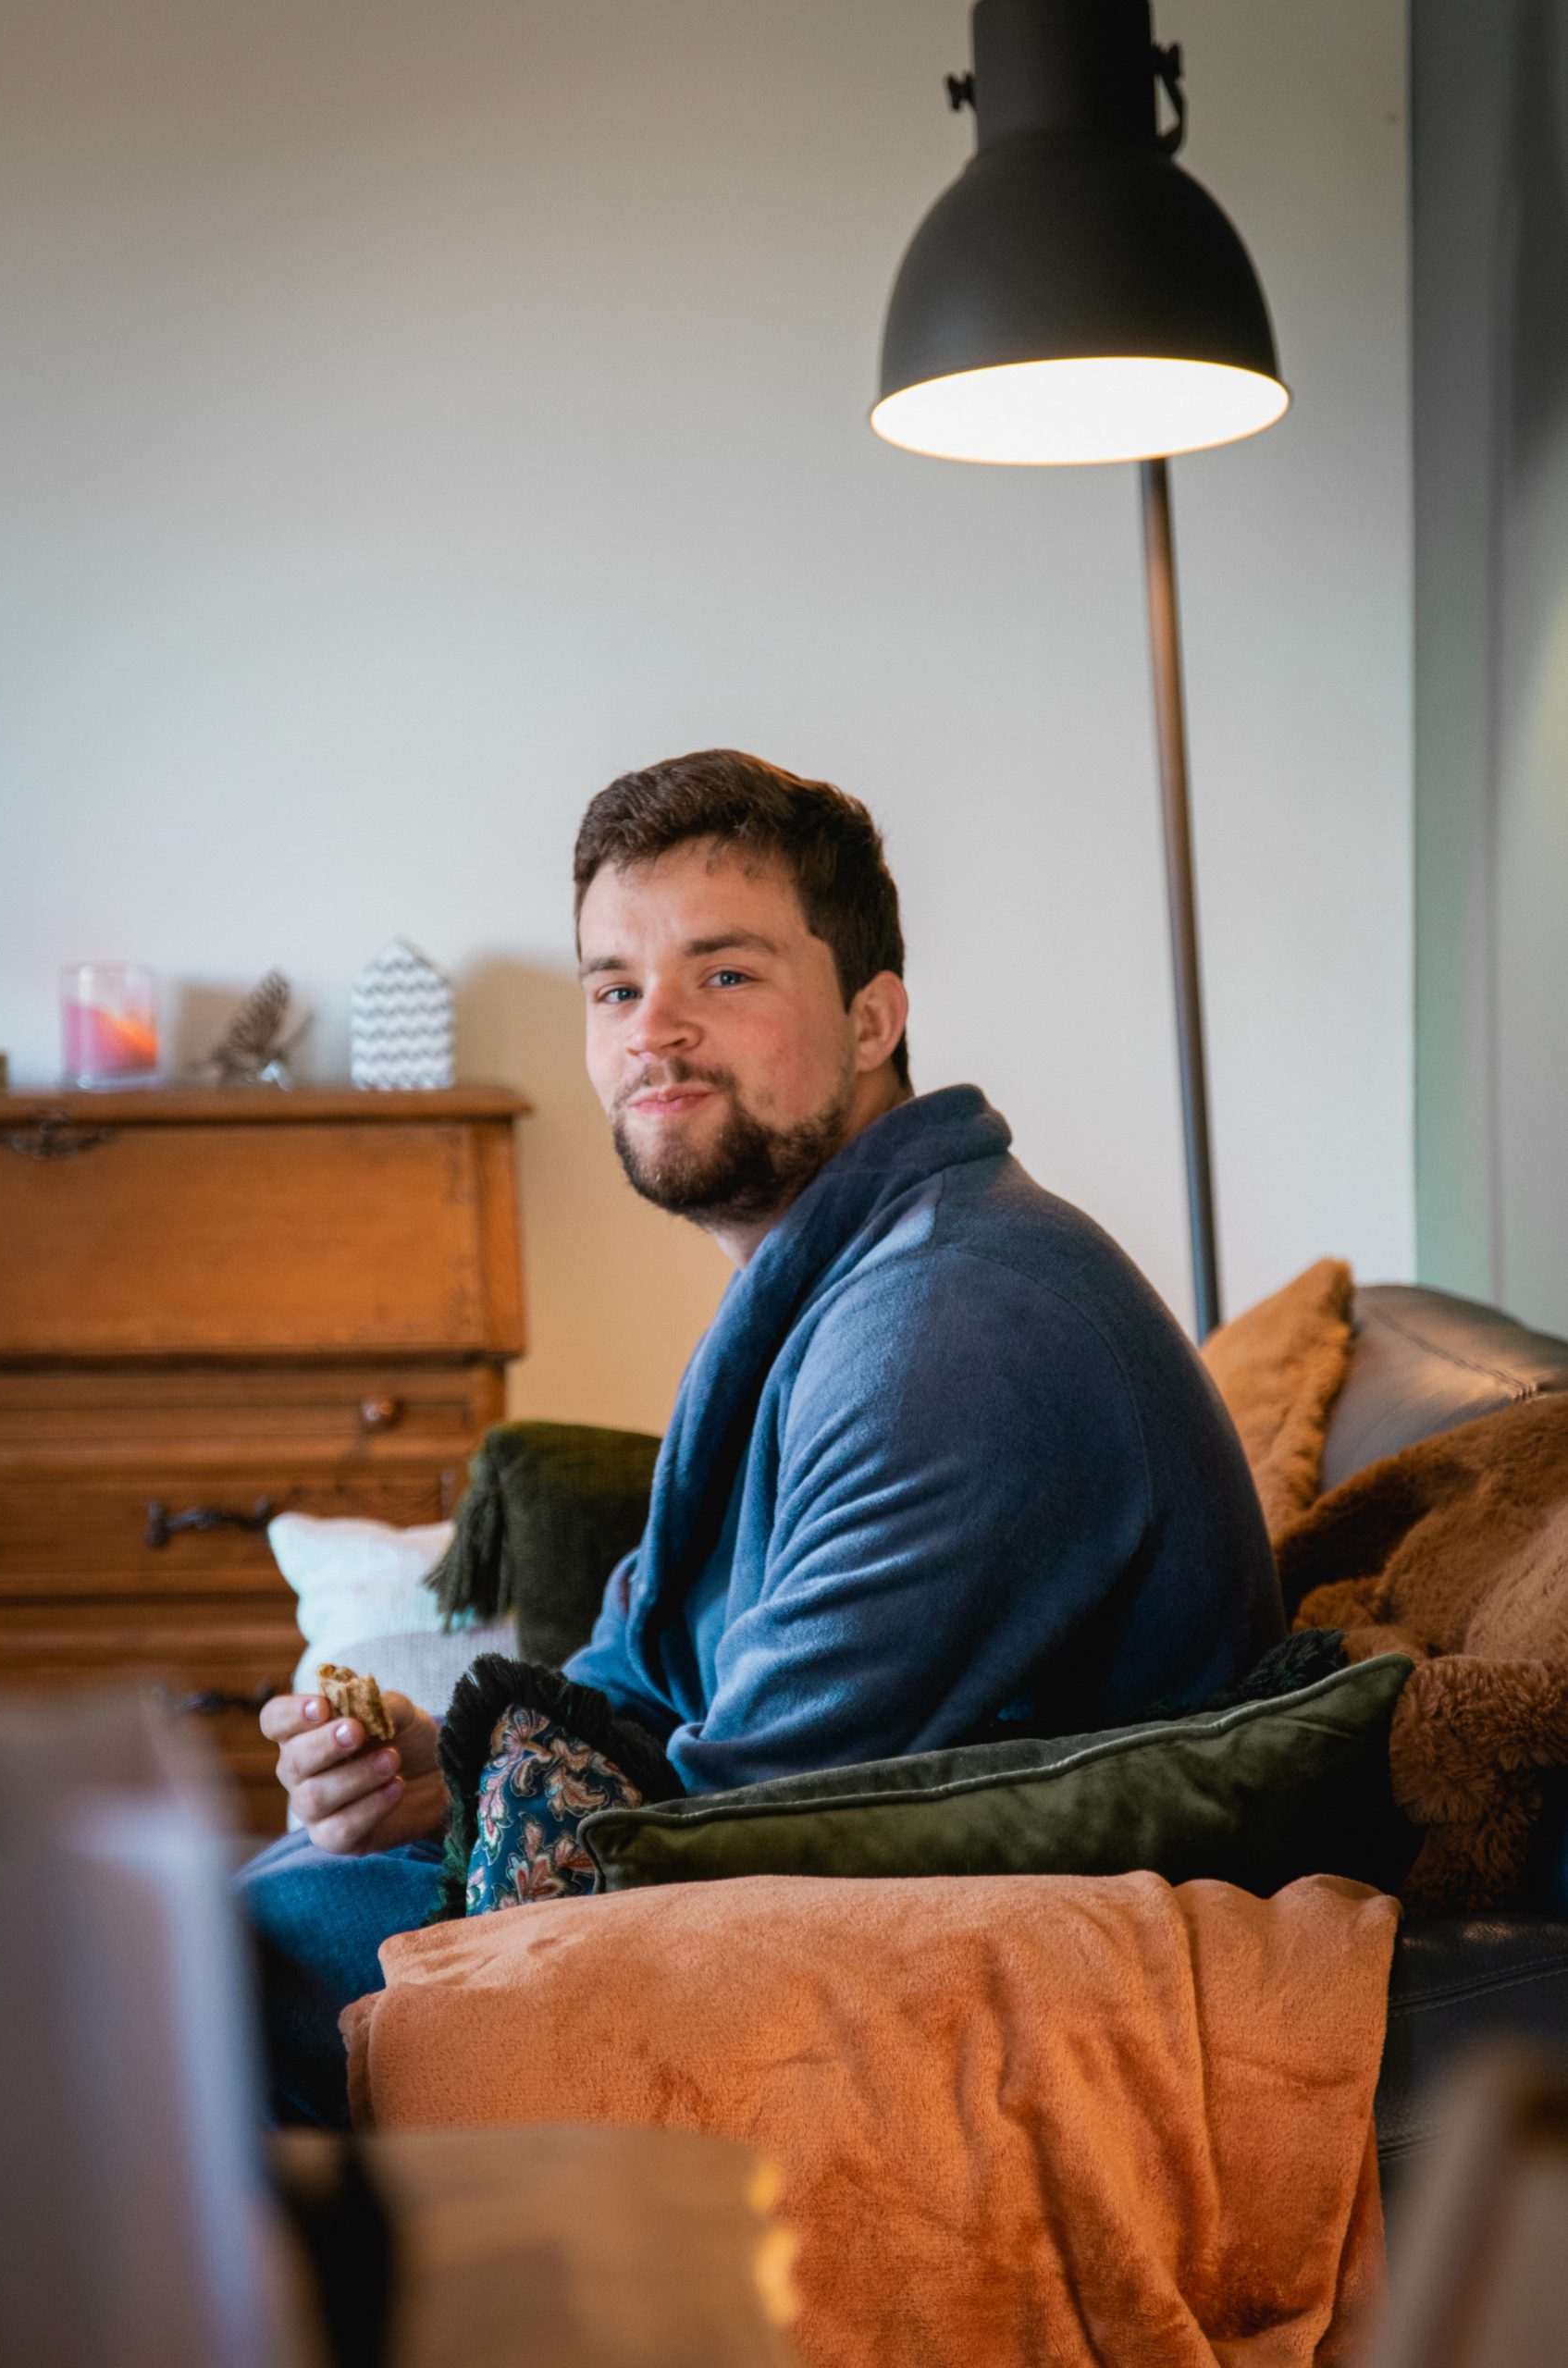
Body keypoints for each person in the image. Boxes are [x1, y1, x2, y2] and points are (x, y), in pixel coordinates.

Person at [241, 748, 1283, 2120]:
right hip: (777, 1874)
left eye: (724, 975)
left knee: (214, 1962)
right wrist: (439, 1774)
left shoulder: (954, 1326)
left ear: (873, 1017)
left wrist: (478, 1809)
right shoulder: (826, 1285)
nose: (652, 1033)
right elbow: (638, 1669)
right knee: (245, 1903)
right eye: (615, 989)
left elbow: (735, 1823)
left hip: (960, 1960)